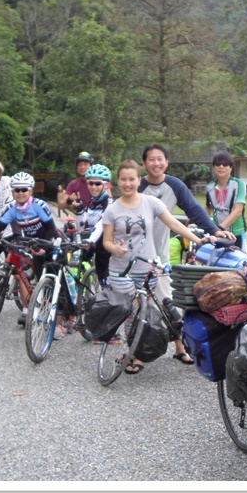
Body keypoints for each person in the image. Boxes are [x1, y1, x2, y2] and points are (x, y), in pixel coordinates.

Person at [103, 160, 217, 374]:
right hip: (121, 271)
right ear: (118, 181)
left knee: (147, 312)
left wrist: (199, 240)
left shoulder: (150, 202)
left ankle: (140, 353)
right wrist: (114, 249)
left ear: (139, 180)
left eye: (132, 179)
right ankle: (134, 353)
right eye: (123, 179)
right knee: (131, 313)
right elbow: (106, 241)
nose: (128, 183)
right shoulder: (112, 209)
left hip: (147, 268)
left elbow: (174, 223)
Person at [138, 144, 236, 305]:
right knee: (135, 303)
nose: (156, 163)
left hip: (160, 254)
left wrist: (215, 230)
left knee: (164, 302)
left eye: (160, 159)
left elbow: (194, 209)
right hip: (136, 255)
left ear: (167, 162)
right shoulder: (137, 186)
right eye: (151, 159)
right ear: (144, 163)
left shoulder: (174, 185)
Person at [0, 172, 62, 332]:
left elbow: (51, 228)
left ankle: (61, 316)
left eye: (24, 189)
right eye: (17, 190)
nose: (21, 193)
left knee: (53, 278)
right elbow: (0, 225)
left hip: (49, 242)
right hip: (33, 245)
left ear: (30, 191)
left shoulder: (38, 205)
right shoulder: (12, 209)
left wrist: (44, 247)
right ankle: (38, 307)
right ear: (12, 191)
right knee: (39, 278)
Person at [73, 164, 113, 289]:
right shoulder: (92, 202)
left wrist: (90, 240)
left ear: (106, 185)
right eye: (91, 183)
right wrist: (79, 211)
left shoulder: (109, 203)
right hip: (94, 245)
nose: (93, 187)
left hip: (106, 250)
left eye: (97, 183)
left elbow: (101, 225)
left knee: (107, 287)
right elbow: (82, 226)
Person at [205, 150, 247, 250]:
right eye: (218, 164)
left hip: (236, 233)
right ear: (213, 167)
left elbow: (238, 210)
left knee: (239, 259)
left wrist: (220, 228)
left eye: (225, 164)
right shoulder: (210, 187)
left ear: (231, 168)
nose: (221, 167)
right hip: (218, 234)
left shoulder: (238, 184)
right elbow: (208, 208)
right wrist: (195, 220)